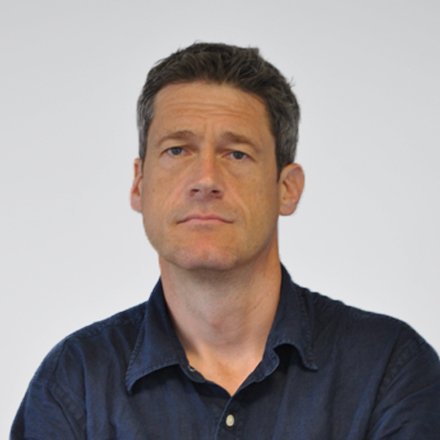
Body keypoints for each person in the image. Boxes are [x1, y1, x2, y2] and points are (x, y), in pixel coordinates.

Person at [11, 42, 440, 439]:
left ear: (286, 188)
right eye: (177, 150)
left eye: (237, 154)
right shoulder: (74, 384)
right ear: (140, 184)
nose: (205, 179)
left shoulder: (389, 369)